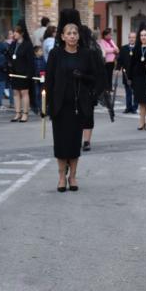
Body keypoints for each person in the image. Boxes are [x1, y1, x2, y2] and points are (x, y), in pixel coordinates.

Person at [46, 20, 97, 192]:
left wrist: (82, 76)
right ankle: (61, 177)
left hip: (78, 106)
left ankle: (73, 176)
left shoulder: (86, 54)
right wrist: (48, 105)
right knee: (61, 145)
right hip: (60, 107)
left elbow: (93, 79)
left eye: (75, 33)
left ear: (78, 36)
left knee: (74, 144)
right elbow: (49, 81)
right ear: (62, 36)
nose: (72, 36)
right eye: (69, 33)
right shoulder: (55, 54)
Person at [7, 19, 35, 123]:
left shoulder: (27, 45)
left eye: (16, 32)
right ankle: (17, 113)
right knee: (15, 93)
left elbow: (31, 61)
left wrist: (30, 73)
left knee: (24, 92)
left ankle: (25, 114)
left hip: (24, 72)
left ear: (22, 33)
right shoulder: (13, 44)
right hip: (14, 72)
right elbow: (10, 55)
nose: (14, 34)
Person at [117, 31, 138, 114]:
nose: (132, 39)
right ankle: (128, 107)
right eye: (130, 37)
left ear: (136, 39)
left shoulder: (139, 48)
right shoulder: (124, 48)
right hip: (126, 73)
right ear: (128, 38)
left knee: (135, 92)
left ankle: (134, 108)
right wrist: (118, 68)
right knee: (128, 91)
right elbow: (120, 60)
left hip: (136, 74)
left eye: (133, 37)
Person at [98, 27, 119, 92]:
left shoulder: (111, 41)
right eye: (109, 35)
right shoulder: (102, 41)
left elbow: (117, 48)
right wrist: (113, 50)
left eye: (110, 35)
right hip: (106, 61)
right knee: (106, 75)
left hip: (112, 60)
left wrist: (115, 50)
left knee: (110, 75)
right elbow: (104, 50)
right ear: (105, 35)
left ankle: (110, 87)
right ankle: (106, 87)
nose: (110, 36)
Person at [32, 45, 47, 115]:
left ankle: (42, 109)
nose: (42, 52)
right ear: (35, 52)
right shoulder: (33, 60)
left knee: (42, 93)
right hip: (35, 78)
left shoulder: (43, 59)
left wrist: (44, 75)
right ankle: (36, 107)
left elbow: (45, 67)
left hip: (42, 77)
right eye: (40, 51)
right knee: (36, 93)